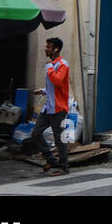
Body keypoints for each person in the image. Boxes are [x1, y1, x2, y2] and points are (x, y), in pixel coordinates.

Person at [24, 37, 70, 175]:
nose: (45, 49)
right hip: (48, 107)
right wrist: (43, 90)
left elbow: (57, 81)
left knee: (59, 139)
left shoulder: (62, 64)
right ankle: (51, 160)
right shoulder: (53, 65)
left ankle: (63, 167)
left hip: (58, 108)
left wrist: (49, 67)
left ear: (56, 49)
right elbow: (52, 86)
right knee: (36, 133)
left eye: (48, 47)